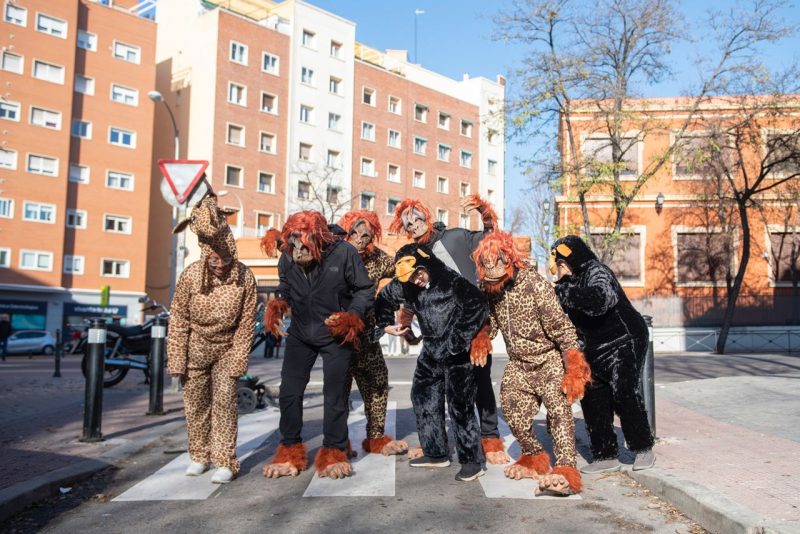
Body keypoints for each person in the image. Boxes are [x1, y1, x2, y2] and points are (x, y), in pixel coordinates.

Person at [388, 195, 509, 464]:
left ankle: (489, 439)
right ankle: (435, 444)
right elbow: (410, 293)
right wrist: (406, 321)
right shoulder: (412, 254)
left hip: (471, 322)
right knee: (434, 387)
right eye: (408, 224)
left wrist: (485, 213)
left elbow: (490, 240)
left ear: (426, 217)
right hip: (440, 331)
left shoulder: (454, 237)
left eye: (417, 218)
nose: (413, 226)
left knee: (479, 379)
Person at [473, 232, 591, 495]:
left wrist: (573, 366)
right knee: (512, 410)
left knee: (559, 412)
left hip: (547, 360)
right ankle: (534, 457)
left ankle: (566, 472)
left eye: (498, 260)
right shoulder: (490, 289)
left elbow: (563, 328)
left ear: (509, 259)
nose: (492, 267)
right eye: (486, 262)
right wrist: (480, 337)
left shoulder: (534, 284)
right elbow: (489, 324)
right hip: (519, 363)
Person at [261, 211, 374, 480]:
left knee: (334, 394)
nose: (298, 251)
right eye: (294, 244)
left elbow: (364, 288)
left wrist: (352, 316)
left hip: (335, 332)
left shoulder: (343, 252)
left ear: (319, 239)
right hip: (301, 333)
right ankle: (289, 451)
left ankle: (334, 450)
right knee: (289, 392)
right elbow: (286, 285)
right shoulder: (287, 255)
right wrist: (278, 304)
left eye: (305, 244)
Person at [374, 243, 491, 482]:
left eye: (418, 274)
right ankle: (436, 452)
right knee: (422, 397)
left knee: (460, 405)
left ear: (425, 265)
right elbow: (383, 299)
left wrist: (458, 340)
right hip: (430, 352)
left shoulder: (450, 280)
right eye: (411, 278)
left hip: (455, 353)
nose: (416, 281)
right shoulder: (405, 285)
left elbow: (478, 304)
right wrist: (386, 323)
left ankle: (472, 461)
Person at [167, 192, 258, 484]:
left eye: (226, 258)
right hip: (195, 349)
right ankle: (199, 456)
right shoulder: (190, 276)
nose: (220, 264)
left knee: (224, 403)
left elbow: (246, 323)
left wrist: (239, 359)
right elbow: (178, 319)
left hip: (227, 349)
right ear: (206, 256)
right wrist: (177, 360)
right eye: (215, 259)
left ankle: (225, 460)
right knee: (195, 404)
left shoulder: (245, 278)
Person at [550, 235, 655, 473]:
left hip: (625, 338)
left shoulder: (597, 271)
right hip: (595, 346)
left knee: (623, 390)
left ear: (573, 257)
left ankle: (642, 448)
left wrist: (567, 293)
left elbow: (602, 300)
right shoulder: (566, 284)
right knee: (592, 394)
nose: (560, 268)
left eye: (562, 262)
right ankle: (605, 454)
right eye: (558, 263)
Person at [336, 210, 408, 455]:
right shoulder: (333, 255)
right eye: (354, 232)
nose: (359, 238)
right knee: (338, 390)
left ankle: (376, 437)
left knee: (378, 383)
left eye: (365, 235)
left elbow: (404, 270)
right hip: (338, 340)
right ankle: (338, 442)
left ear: (373, 236)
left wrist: (386, 314)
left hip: (367, 338)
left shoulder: (377, 259)